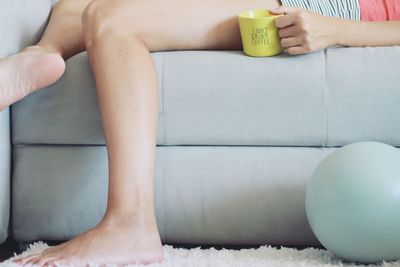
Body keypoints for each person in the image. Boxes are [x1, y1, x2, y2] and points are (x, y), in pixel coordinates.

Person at [1, 0, 399, 266]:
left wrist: (337, 30)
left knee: (111, 19)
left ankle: (131, 222)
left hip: (322, 9)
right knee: (75, 6)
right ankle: (40, 57)